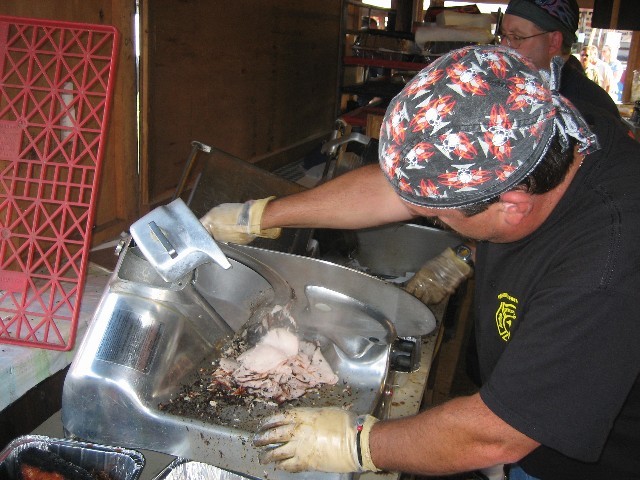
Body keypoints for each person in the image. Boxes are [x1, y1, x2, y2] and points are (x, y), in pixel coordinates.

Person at [200, 45, 640, 479]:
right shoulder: (546, 126)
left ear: (512, 204)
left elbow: (499, 433)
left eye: (435, 214)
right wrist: (259, 215)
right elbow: (396, 189)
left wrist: (355, 444)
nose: (424, 215)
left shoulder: (603, 272)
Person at [499, 0, 621, 120]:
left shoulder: (590, 109)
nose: (503, 46)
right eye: (503, 35)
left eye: (516, 37)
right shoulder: (510, 85)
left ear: (553, 42)